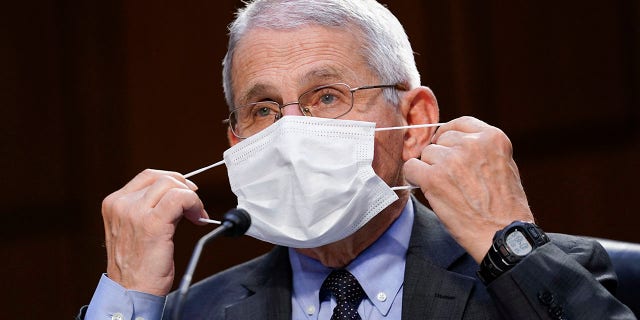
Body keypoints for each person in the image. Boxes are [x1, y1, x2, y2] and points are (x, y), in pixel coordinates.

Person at [78, 0, 635, 319]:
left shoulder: (544, 275)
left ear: (415, 122)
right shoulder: (189, 313)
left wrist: (509, 245)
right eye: (264, 108)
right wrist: (128, 293)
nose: (291, 134)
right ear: (236, 144)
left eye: (326, 96)